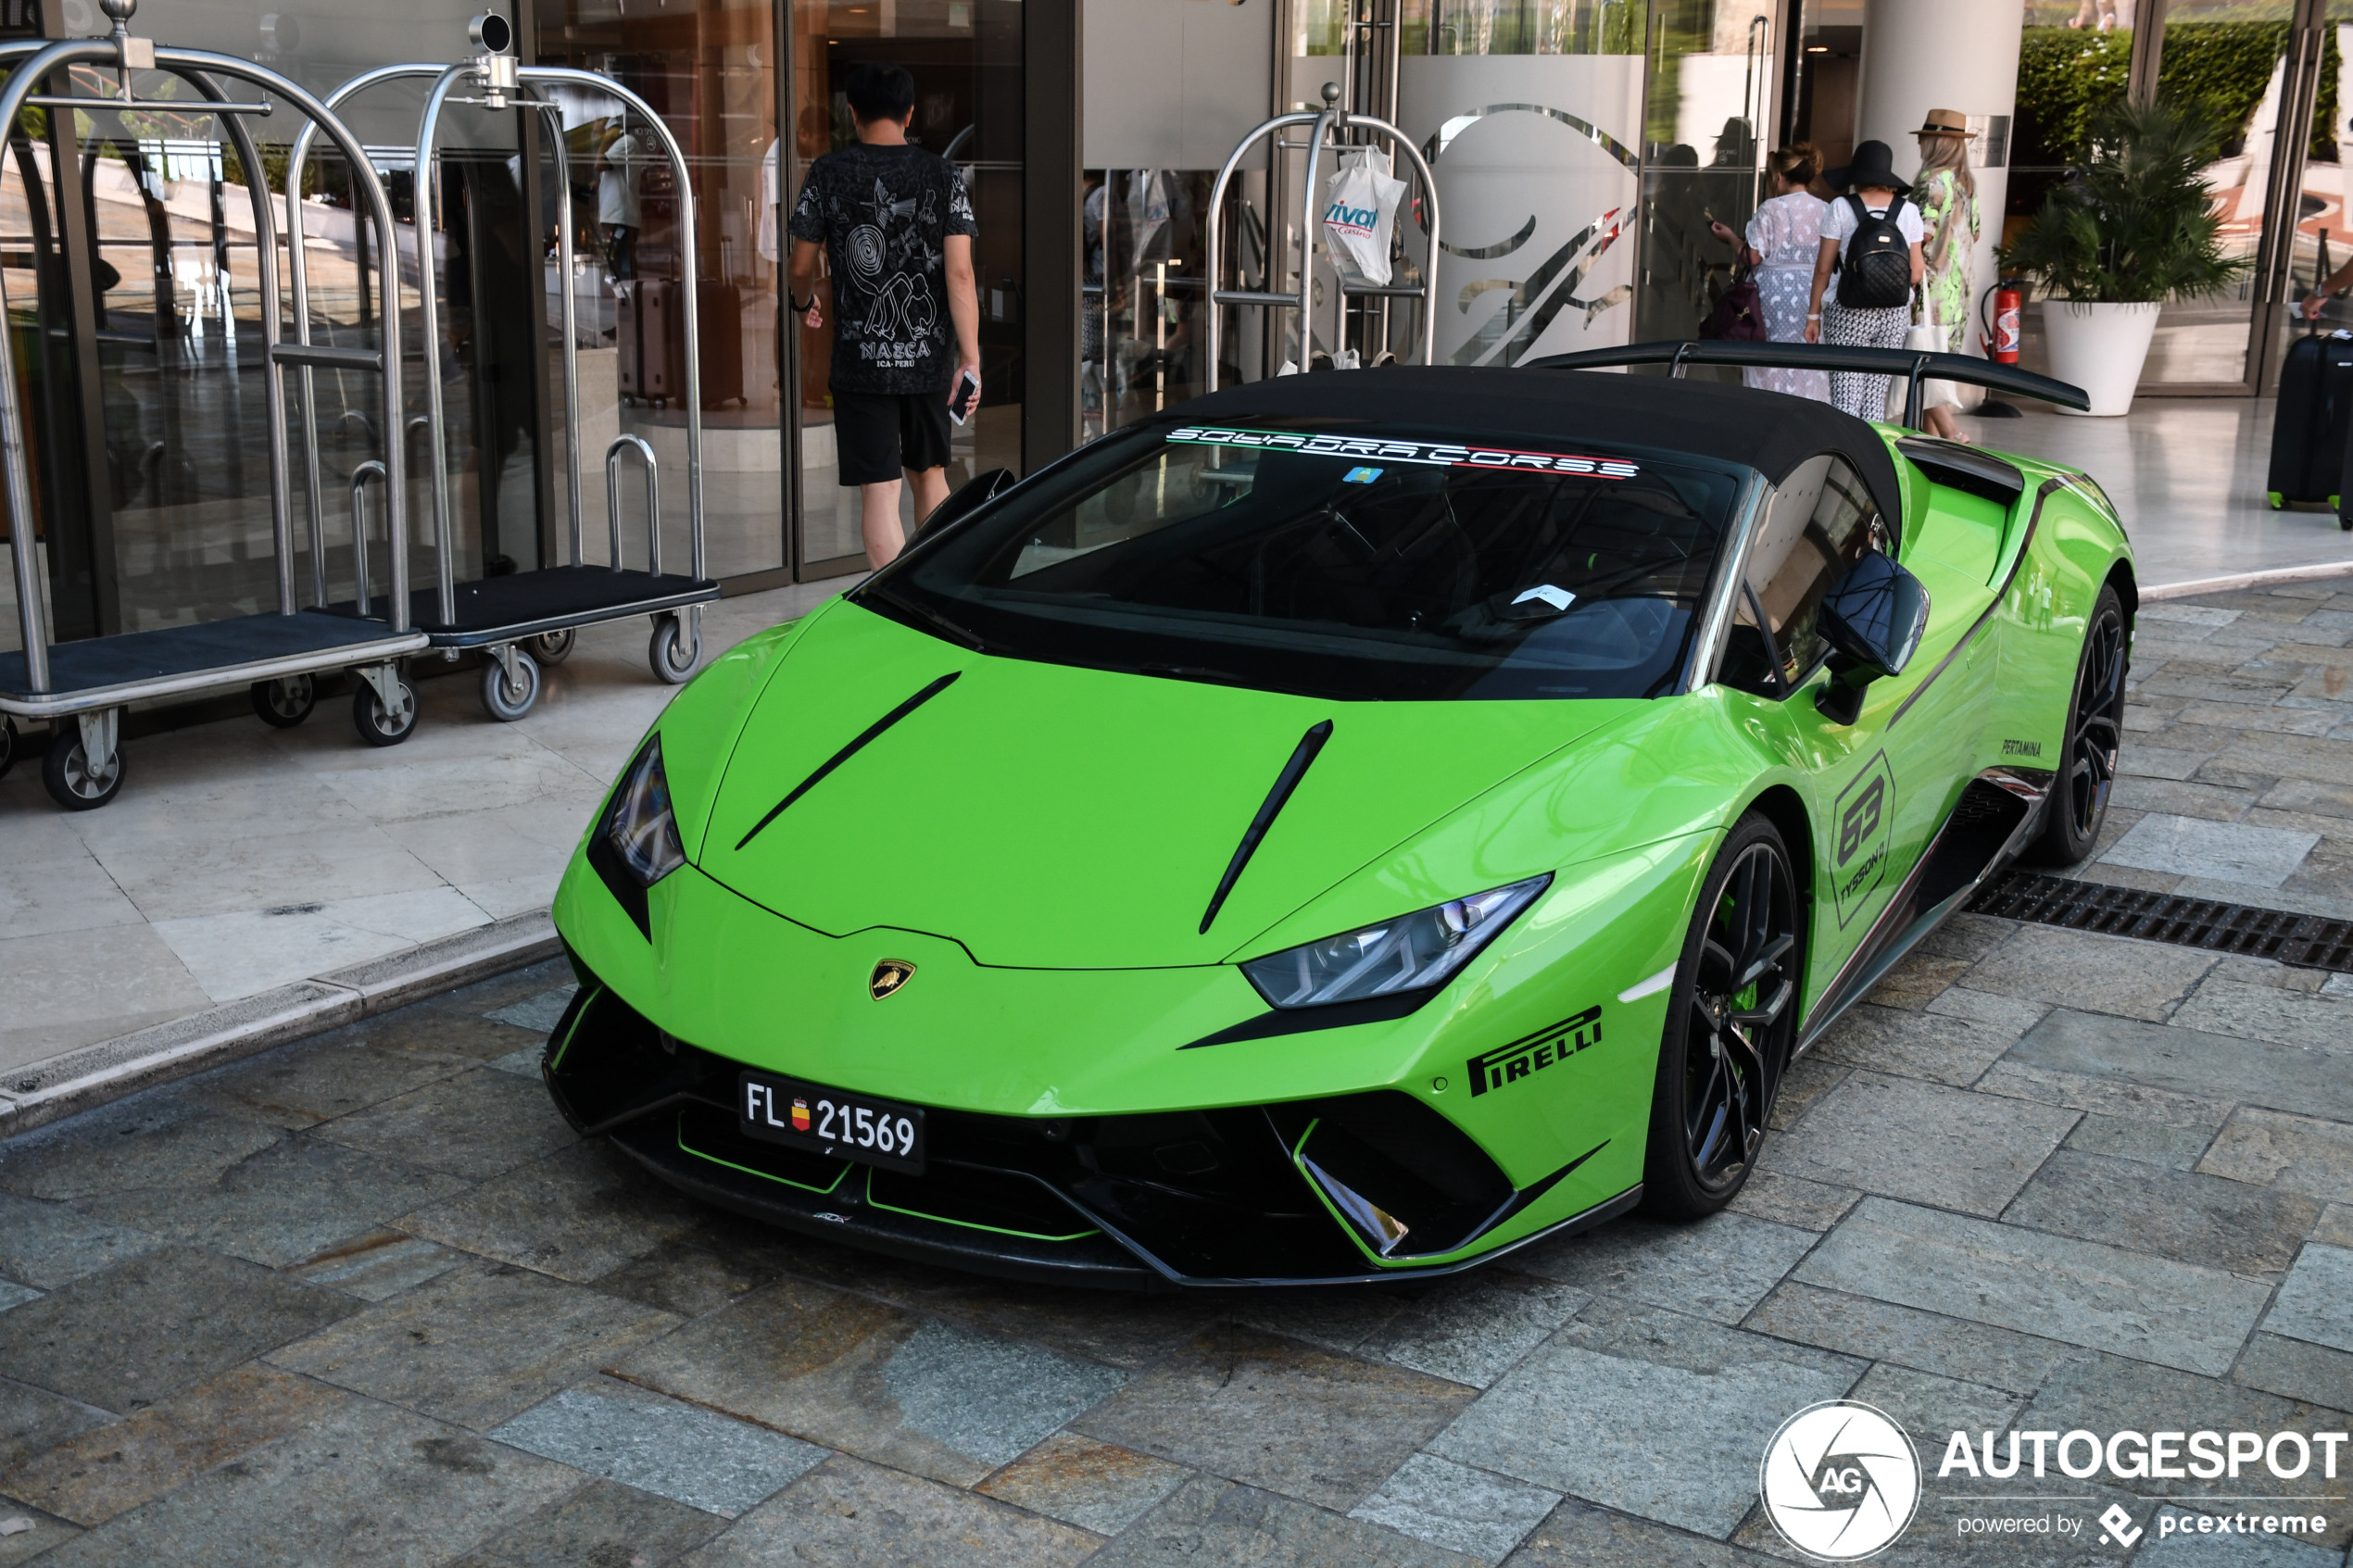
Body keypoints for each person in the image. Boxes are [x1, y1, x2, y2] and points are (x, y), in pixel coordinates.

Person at [787, 62, 981, 569]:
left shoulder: (827, 173)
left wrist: (803, 302)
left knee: (880, 489)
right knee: (931, 474)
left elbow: (800, 265)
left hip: (861, 363)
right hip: (928, 360)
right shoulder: (945, 176)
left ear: (852, 113)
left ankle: (895, 617)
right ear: (910, 111)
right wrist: (971, 357)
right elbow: (960, 275)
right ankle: (936, 595)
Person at [1806, 140, 1925, 423]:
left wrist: (1813, 316)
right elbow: (1917, 271)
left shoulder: (1840, 207)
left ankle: (1846, 461)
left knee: (1845, 398)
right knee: (1874, 399)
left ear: (1855, 176)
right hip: (1893, 315)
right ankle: (1873, 460)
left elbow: (1824, 268)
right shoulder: (1907, 212)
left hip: (1848, 310)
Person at [1710, 144, 1829, 402]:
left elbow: (1751, 257)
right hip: (1811, 298)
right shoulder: (1824, 209)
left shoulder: (1771, 209)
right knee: (1806, 366)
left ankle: (1768, 411)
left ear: (1778, 177)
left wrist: (1730, 237)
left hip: (1773, 301)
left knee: (1769, 364)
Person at [1912, 108, 1982, 442]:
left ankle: (1953, 433)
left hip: (1931, 286)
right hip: (1959, 288)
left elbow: (1921, 235)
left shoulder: (1931, 182)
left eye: (1924, 138)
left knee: (1921, 362)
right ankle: (1931, 446)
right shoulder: (1967, 184)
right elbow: (1976, 233)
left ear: (1935, 142)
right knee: (1936, 364)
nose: (1921, 144)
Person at [598, 122, 640, 280]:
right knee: (617, 261)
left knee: (623, 264)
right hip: (616, 217)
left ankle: (629, 297)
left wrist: (604, 142)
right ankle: (625, 297)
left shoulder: (625, 142)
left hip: (621, 217)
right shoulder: (618, 147)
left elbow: (599, 164)